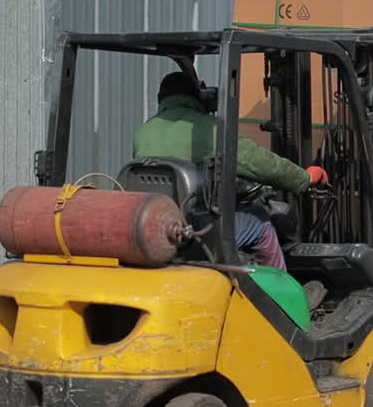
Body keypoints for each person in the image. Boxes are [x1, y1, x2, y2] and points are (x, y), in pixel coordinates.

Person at [132, 72, 328, 271]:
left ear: (161, 98)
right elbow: (260, 163)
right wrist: (305, 177)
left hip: (154, 229)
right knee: (260, 220)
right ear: (198, 96)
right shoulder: (207, 129)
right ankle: (281, 287)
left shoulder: (144, 131)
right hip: (194, 232)